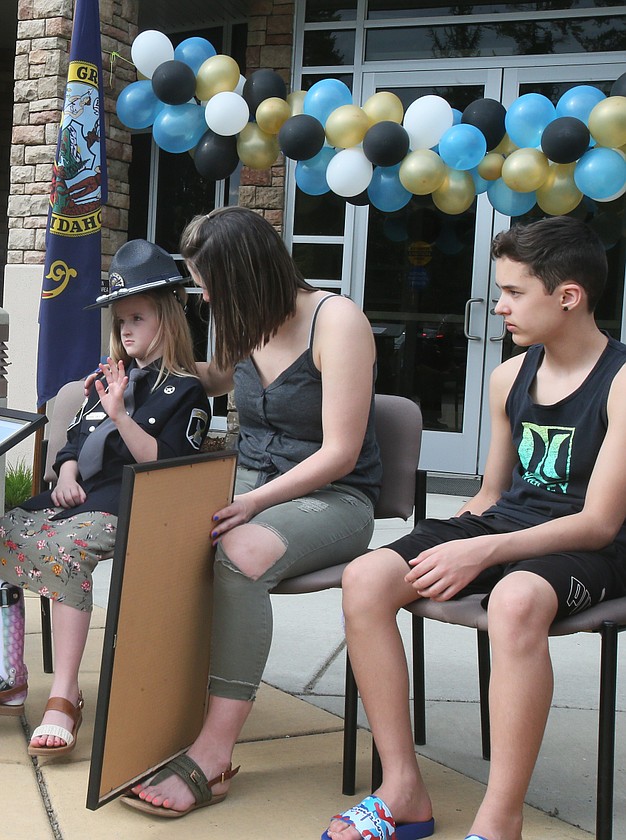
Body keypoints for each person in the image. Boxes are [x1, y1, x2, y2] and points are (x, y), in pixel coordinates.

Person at [324, 215, 626, 840]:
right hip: (508, 525)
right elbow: (491, 496)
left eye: (514, 292)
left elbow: (598, 523)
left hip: (595, 546)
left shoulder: (621, 383)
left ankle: (500, 819)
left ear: (568, 296)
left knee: (515, 600)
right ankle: (402, 788)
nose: (499, 306)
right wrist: (442, 546)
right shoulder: (509, 376)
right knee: (367, 578)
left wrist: (484, 549)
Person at [123, 205, 382, 817]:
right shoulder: (248, 323)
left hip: (332, 499)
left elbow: (342, 453)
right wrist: (151, 348)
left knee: (237, 555)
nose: (205, 295)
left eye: (210, 283)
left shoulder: (337, 322)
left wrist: (252, 501)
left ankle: (214, 754)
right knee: (154, 532)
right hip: (251, 488)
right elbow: (216, 379)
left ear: (246, 274)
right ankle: (159, 714)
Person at [0, 239, 211, 757]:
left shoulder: (183, 391)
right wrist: (66, 472)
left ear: (166, 320)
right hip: (82, 497)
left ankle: (65, 695)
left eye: (137, 319)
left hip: (136, 506)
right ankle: (9, 675)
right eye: (120, 321)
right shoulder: (107, 378)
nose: (125, 330)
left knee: (65, 551)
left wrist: (121, 411)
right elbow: (78, 440)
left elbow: (169, 469)